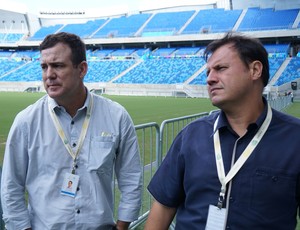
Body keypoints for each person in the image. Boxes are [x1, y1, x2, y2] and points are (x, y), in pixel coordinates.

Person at [145, 32, 300, 229]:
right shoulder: (190, 136)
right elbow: (163, 206)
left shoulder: (295, 139)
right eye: (208, 72)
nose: (209, 79)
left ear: (255, 70)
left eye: (220, 68)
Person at [1, 32, 142, 230]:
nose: (49, 74)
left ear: (82, 69)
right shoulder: (26, 122)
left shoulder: (116, 116)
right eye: (44, 66)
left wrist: (122, 226)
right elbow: (10, 187)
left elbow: (131, 177)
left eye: (58, 65)